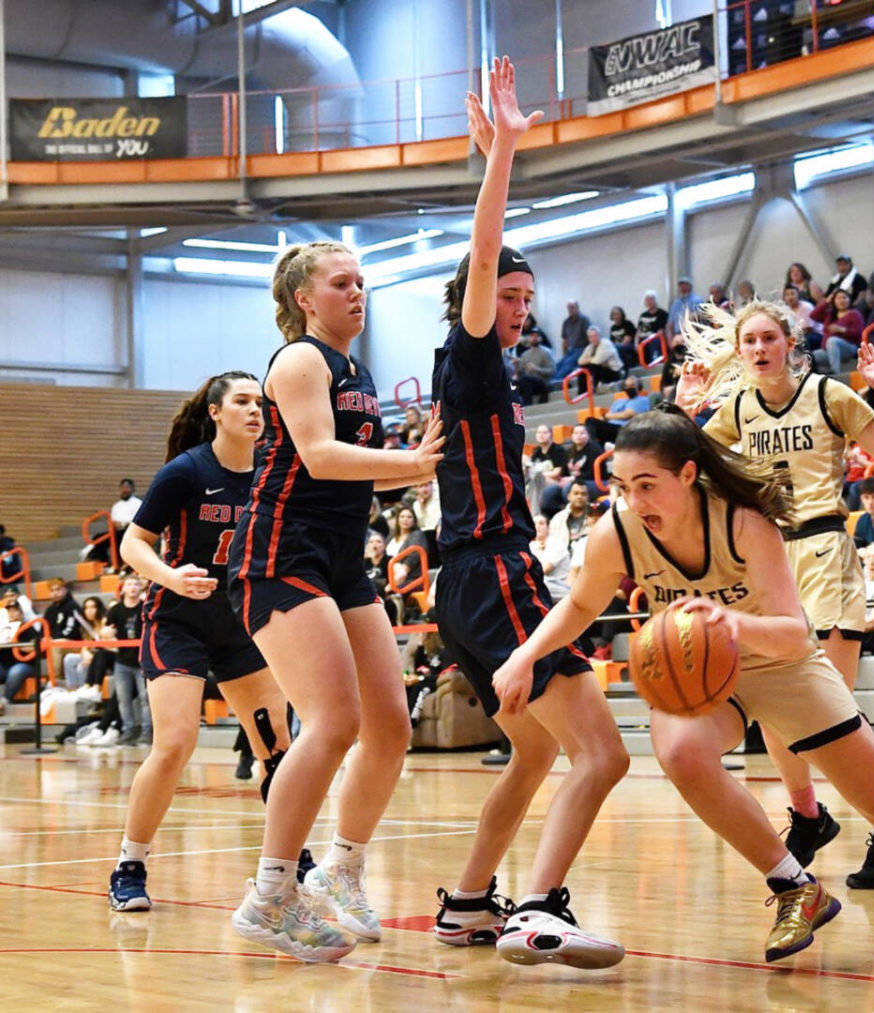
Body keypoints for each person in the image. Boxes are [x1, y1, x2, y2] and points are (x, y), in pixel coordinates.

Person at [491, 408, 874, 959]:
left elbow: (792, 632)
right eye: (622, 485)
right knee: (681, 752)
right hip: (704, 675)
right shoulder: (618, 530)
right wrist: (525, 654)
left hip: (780, 663)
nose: (634, 500)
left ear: (688, 474)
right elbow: (584, 603)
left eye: (647, 485)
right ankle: (794, 886)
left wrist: (735, 623)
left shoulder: (742, 521)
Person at [429, 58, 628, 970]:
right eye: (506, 297)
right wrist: (503, 151)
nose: (518, 309)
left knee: (533, 753)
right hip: (493, 571)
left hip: (468, 580)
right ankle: (537, 908)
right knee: (604, 754)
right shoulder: (467, 358)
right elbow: (482, 250)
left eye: (525, 299)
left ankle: (468, 904)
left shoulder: (496, 375)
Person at [225, 234, 443, 962]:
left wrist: (413, 469)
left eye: (362, 281)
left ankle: (341, 867)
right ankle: (272, 893)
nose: (358, 291)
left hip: (343, 560)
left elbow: (359, 473)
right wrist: (411, 462)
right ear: (303, 299)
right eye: (342, 282)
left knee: (389, 725)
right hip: (284, 550)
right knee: (334, 719)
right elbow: (319, 455)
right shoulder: (299, 359)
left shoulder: (359, 369)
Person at [676, 298, 874, 890]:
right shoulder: (734, 408)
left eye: (768, 339)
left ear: (789, 342)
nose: (759, 350)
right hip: (769, 560)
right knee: (773, 704)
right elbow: (686, 473)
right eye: (749, 342)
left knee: (830, 707)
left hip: (825, 551)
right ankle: (808, 815)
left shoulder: (829, 394)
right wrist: (685, 413)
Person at [108, 372, 306, 913]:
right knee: (175, 744)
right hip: (178, 621)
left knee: (277, 751)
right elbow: (134, 543)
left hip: (244, 623)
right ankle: (131, 863)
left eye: (259, 402)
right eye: (241, 401)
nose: (254, 410)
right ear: (216, 412)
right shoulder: (187, 471)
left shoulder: (274, 472)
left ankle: (291, 858)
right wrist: (169, 577)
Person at [102, 574, 150, 746]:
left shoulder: (145, 606)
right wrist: (107, 633)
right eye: (128, 584)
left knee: (146, 699)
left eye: (136, 584)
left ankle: (147, 731)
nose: (132, 587)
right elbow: (106, 630)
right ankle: (128, 730)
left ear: (141, 588)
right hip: (122, 660)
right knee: (123, 699)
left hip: (142, 660)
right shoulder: (116, 609)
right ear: (123, 589)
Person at [585, 376, 651, 446]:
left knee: (591, 421)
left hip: (626, 430)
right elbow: (606, 417)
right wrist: (606, 417)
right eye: (626, 386)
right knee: (589, 430)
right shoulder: (619, 401)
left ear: (639, 387)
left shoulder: (642, 400)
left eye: (632, 385)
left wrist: (608, 416)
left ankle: (591, 447)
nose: (629, 388)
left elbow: (627, 414)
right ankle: (595, 451)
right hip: (612, 429)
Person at [811, 289, 864, 373]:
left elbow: (858, 332)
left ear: (849, 300)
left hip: (849, 348)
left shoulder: (854, 314)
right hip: (828, 350)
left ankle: (835, 372)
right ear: (834, 300)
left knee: (832, 340)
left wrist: (842, 330)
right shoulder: (830, 314)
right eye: (838, 298)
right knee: (810, 357)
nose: (842, 300)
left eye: (844, 298)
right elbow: (813, 315)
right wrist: (827, 301)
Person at [577, 324, 624, 391]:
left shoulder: (606, 344)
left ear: (600, 335)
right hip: (601, 371)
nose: (593, 338)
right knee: (582, 370)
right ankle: (582, 393)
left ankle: (593, 390)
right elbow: (580, 361)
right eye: (591, 337)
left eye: (595, 336)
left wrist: (588, 359)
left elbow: (597, 361)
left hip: (615, 372)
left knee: (592, 366)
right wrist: (591, 360)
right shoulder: (589, 347)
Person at [514, 326, 554, 405]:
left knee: (526, 379)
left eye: (537, 336)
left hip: (541, 383)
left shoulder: (546, 352)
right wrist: (516, 365)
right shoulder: (524, 355)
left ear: (541, 339)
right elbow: (519, 372)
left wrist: (537, 369)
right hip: (527, 383)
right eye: (532, 336)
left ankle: (527, 405)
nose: (534, 338)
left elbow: (552, 370)